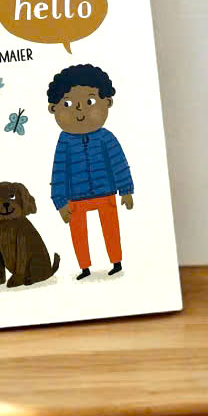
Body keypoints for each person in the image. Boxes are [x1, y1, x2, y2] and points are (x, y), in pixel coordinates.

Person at [47, 62, 135, 279]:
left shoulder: (106, 138)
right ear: (53, 108)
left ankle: (116, 261)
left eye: (90, 102)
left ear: (108, 102)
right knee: (78, 232)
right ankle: (84, 267)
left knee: (111, 228)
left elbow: (119, 164)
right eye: (67, 103)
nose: (80, 110)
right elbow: (59, 172)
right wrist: (60, 201)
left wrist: (125, 190)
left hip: (105, 193)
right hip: (75, 198)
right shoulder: (64, 141)